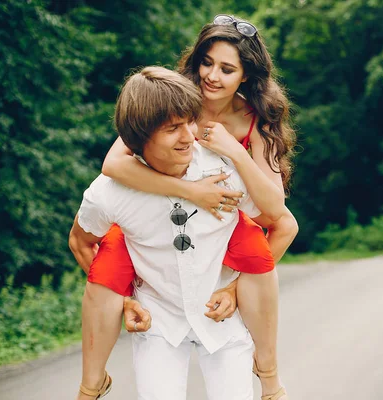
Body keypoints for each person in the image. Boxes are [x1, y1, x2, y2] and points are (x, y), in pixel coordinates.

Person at [75, 15, 297, 400]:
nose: (212, 76)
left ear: (245, 75)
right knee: (110, 260)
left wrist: (231, 149)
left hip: (227, 208)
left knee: (256, 251)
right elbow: (112, 166)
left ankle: (269, 373)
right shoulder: (173, 99)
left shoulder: (253, 118)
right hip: (170, 205)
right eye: (206, 63)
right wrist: (190, 191)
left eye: (227, 69)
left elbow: (279, 214)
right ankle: (92, 381)